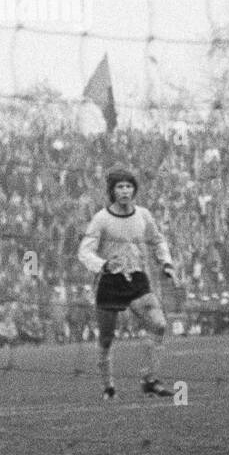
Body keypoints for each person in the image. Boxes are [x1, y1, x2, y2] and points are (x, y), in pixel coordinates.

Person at [77, 166, 179, 400]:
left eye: (128, 186)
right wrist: (102, 265)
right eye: (120, 187)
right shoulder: (101, 219)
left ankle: (150, 379)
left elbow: (157, 240)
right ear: (112, 191)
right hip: (110, 283)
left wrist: (167, 264)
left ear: (134, 190)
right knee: (106, 337)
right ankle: (108, 386)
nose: (125, 191)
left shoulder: (143, 215)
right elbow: (84, 251)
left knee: (159, 324)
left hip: (136, 278)